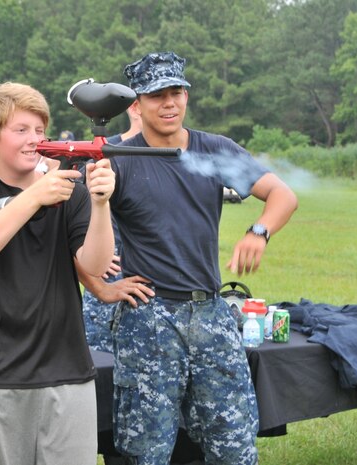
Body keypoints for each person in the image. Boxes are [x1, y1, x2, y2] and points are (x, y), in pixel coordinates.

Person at [81, 51, 298, 465]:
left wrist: (259, 231)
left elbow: (283, 196)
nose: (169, 103)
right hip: (150, 318)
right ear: (136, 105)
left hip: (211, 314)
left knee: (234, 445)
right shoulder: (117, 158)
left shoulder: (214, 149)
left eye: (177, 91)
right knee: (146, 451)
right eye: (157, 95)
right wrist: (100, 286)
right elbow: (75, 241)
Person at [0, 82, 116, 465]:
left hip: (67, 373)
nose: (34, 140)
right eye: (21, 130)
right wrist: (35, 195)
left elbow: (97, 267)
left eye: (40, 130)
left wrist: (100, 204)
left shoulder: (72, 193)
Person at [82, 101, 146, 354]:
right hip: (109, 278)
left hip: (152, 286)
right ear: (133, 107)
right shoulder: (103, 152)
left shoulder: (165, 154)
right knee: (101, 364)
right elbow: (70, 212)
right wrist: (89, 254)